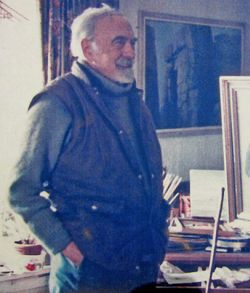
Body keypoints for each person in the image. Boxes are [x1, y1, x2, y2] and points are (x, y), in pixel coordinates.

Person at [8, 5, 169, 293]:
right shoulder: (57, 103)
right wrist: (69, 249)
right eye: (118, 42)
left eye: (131, 42)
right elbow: (20, 191)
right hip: (88, 274)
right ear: (88, 49)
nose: (130, 52)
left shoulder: (135, 102)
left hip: (142, 267)